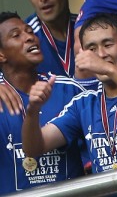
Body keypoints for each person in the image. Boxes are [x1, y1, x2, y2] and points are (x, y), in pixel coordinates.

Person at [21, 14, 117, 189]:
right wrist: (32, 111)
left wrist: (108, 69)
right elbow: (34, 148)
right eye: (92, 49)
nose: (101, 55)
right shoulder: (84, 103)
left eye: (108, 44)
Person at [0, 12, 87, 192]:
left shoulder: (70, 90)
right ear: (1, 55)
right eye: (16, 35)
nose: (29, 37)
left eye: (30, 31)